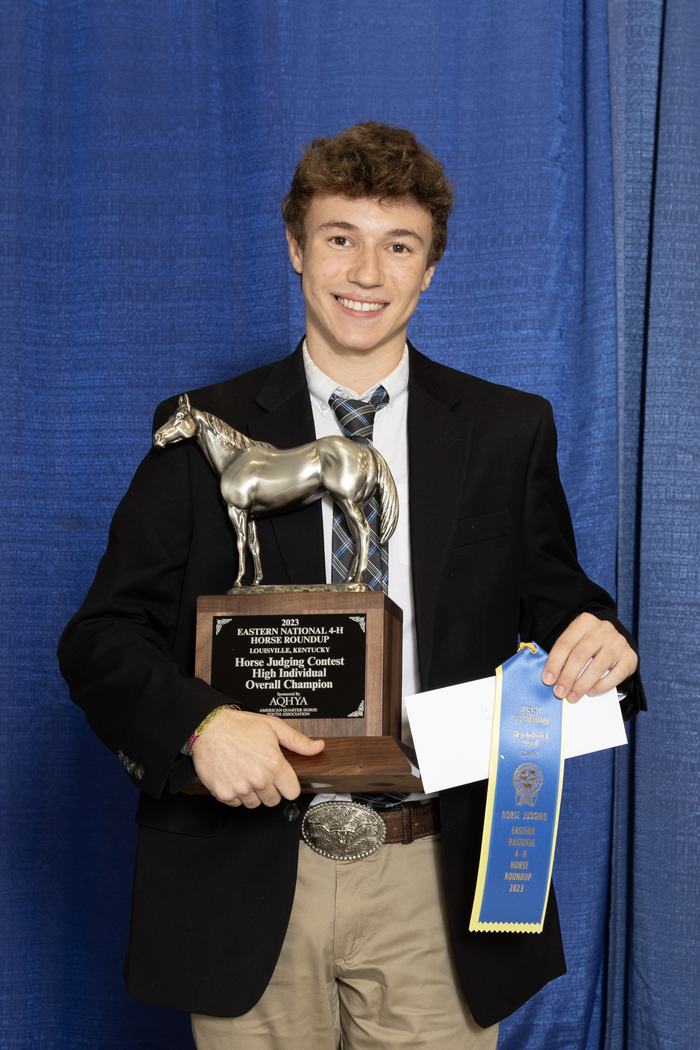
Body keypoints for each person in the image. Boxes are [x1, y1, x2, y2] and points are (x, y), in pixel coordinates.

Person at [58, 122, 644, 1050]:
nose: (367, 271)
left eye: (398, 245)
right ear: (296, 249)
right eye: (341, 237)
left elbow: (559, 599)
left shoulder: (506, 431)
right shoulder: (196, 430)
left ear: (430, 269)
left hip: (435, 877)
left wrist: (601, 638)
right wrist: (200, 727)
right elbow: (100, 640)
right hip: (247, 871)